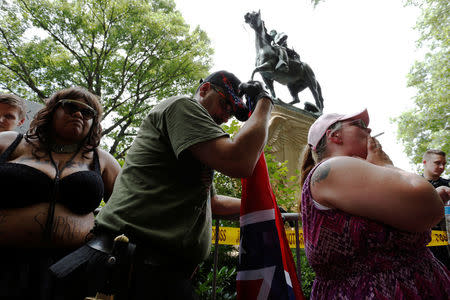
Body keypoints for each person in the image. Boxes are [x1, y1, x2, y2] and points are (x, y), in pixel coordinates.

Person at [50, 70, 274, 299]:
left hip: (157, 271)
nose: (226, 115)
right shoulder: (182, 106)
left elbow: (213, 202)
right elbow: (239, 161)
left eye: (233, 112)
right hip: (128, 265)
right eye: (224, 103)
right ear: (205, 89)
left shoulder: (199, 148)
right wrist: (265, 103)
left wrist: (267, 208)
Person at [299, 109, 450, 299]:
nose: (369, 129)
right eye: (359, 124)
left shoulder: (345, 172)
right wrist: (384, 163)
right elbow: (430, 208)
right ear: (334, 135)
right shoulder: (333, 166)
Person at [0, 86, 121, 299]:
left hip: (71, 271)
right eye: (70, 107)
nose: (78, 114)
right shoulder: (11, 142)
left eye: (87, 112)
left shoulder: (102, 160)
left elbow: (128, 207)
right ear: (51, 111)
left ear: (94, 123)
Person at [422, 149, 450, 268]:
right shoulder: (413, 185)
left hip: (447, 238)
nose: (442, 166)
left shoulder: (448, 184)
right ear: (425, 162)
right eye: (437, 163)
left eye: (444, 164)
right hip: (424, 241)